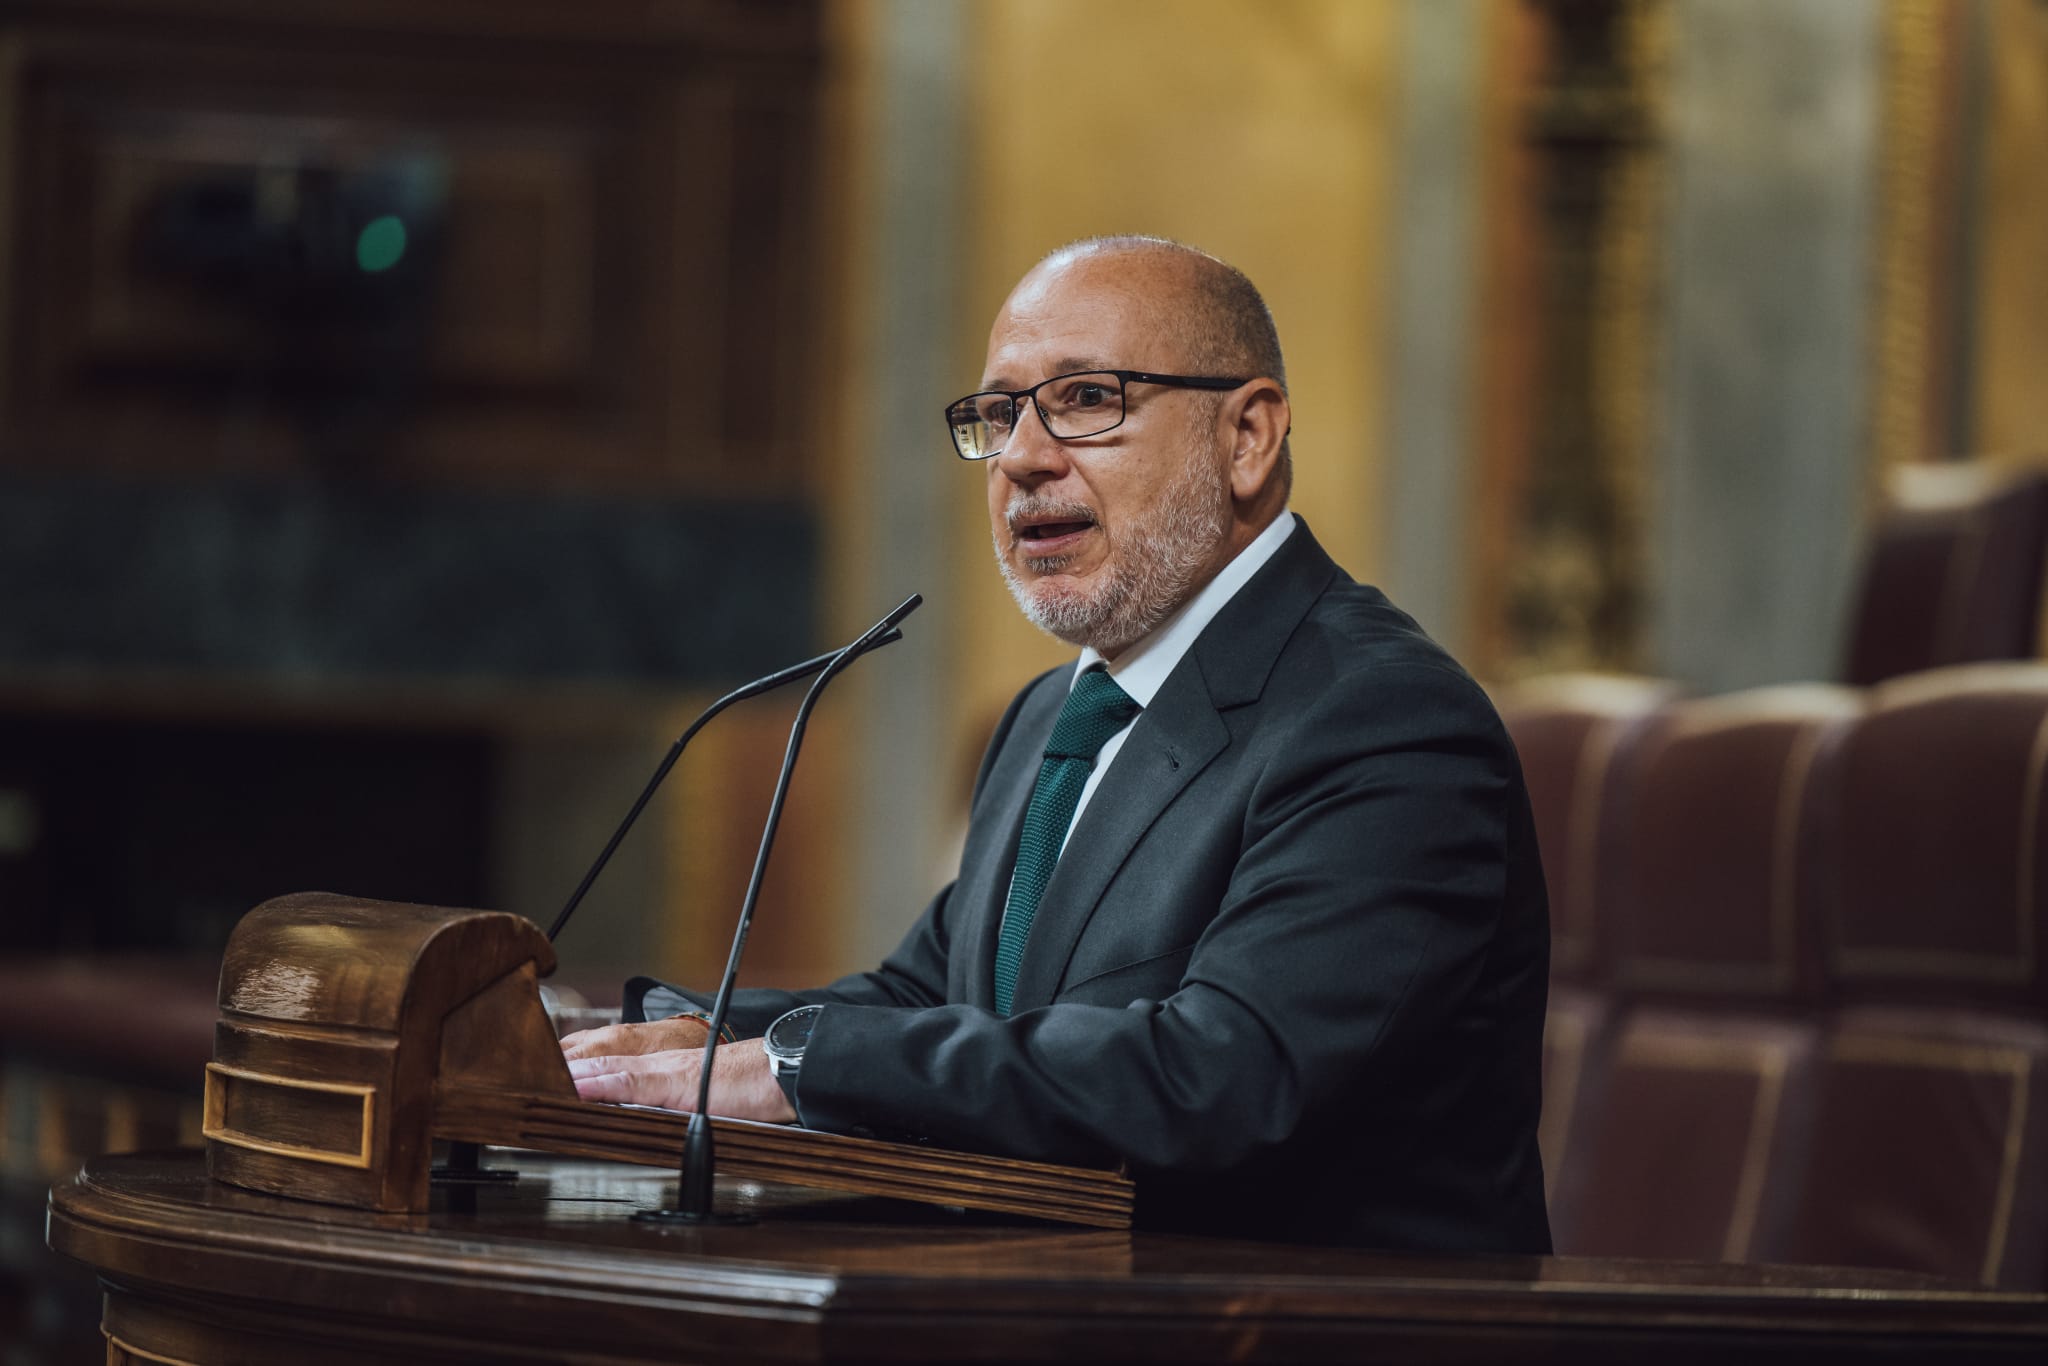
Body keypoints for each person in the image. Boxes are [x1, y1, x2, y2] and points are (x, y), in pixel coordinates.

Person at [563, 236, 1552, 1252]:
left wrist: (791, 1068)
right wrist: (664, 1038)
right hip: (1069, 1298)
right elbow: (927, 997)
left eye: (1085, 399)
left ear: (1246, 436)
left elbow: (1217, 1075)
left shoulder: (1382, 720)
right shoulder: (1050, 715)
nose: (1023, 459)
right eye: (999, 415)